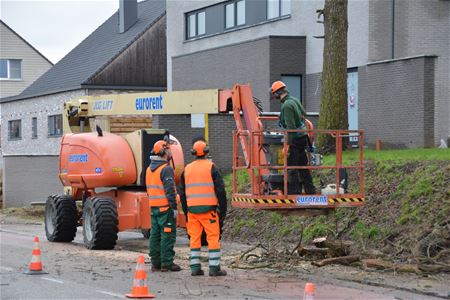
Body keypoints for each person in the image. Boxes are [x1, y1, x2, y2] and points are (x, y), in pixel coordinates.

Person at [180, 138, 228, 276]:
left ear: (193, 153)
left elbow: (182, 193)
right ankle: (214, 268)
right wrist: (222, 211)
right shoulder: (211, 167)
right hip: (209, 211)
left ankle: (195, 268)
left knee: (194, 238)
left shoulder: (187, 169)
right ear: (206, 152)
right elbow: (220, 191)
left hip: (192, 211)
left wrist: (187, 211)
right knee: (213, 237)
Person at [271, 80, 316, 195]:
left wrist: (287, 145)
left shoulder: (286, 105)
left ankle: (294, 194)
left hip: (295, 140)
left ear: (277, 94)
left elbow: (291, 128)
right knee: (303, 166)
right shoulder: (295, 100)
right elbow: (303, 113)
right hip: (303, 137)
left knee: (291, 168)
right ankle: (311, 191)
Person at [146, 140, 181, 272]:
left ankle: (155, 263)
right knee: (167, 236)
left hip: (154, 208)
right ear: (165, 151)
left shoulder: (149, 169)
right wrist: (174, 208)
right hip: (165, 209)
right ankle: (166, 263)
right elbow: (170, 191)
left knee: (155, 236)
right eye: (170, 150)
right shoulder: (166, 169)